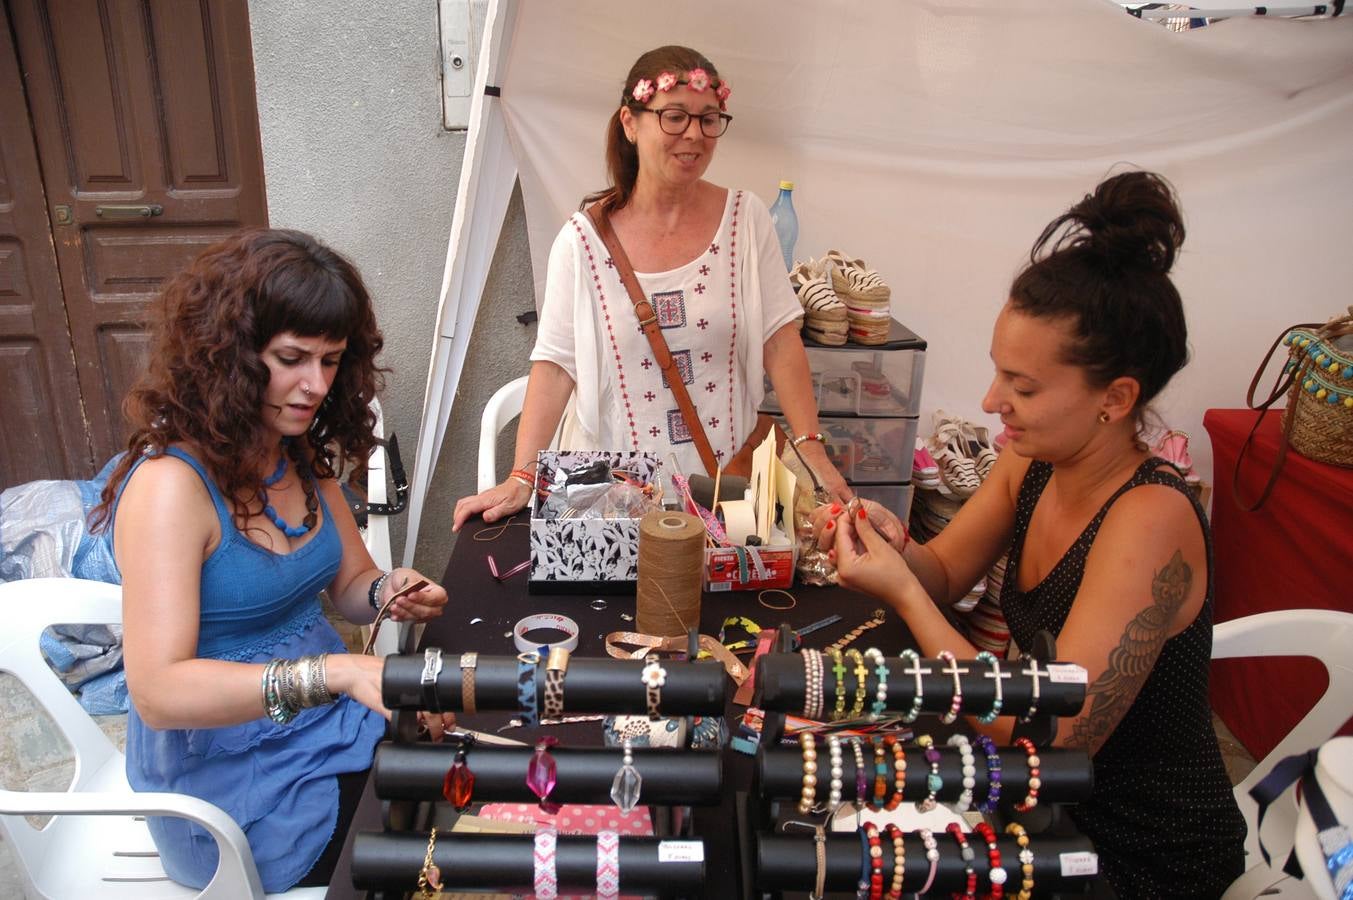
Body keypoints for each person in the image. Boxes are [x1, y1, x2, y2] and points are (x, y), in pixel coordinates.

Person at [819, 172, 1246, 897]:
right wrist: (894, 548)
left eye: (1022, 387)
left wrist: (903, 596)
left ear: (1115, 399)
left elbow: (1039, 738)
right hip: (1036, 810)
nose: (992, 403)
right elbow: (946, 572)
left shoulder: (1149, 520)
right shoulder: (1033, 461)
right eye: (996, 374)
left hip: (1130, 851)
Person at [90, 229, 452, 892]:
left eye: (332, 361)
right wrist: (337, 671)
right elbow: (159, 693)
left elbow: (348, 582)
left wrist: (388, 590)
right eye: (292, 358)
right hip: (223, 780)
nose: (314, 384)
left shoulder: (295, 454)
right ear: (228, 355)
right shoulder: (171, 487)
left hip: (320, 727)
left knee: (450, 791)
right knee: (422, 849)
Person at [454, 45, 849, 532]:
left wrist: (810, 446)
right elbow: (556, 365)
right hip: (614, 496)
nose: (694, 134)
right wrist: (520, 475)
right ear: (630, 122)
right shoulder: (583, 242)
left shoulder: (747, 223)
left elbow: (780, 340)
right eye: (675, 117)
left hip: (726, 487)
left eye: (708, 119)